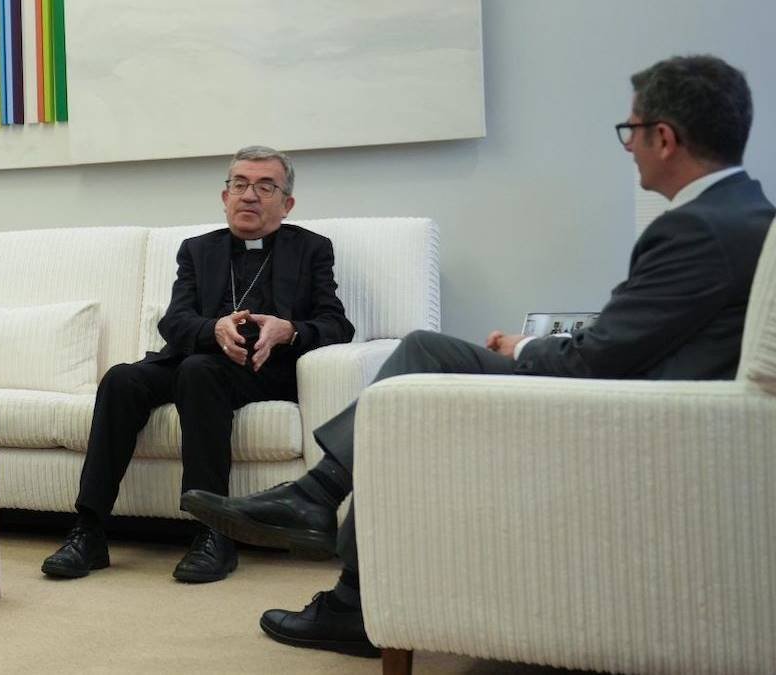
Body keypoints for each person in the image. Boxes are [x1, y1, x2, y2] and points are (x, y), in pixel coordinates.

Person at [183, 54, 774, 656]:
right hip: (661, 404)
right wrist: (533, 345)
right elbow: (636, 341)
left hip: (632, 417)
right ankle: (333, 552)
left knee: (424, 354)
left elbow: (595, 362)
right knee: (418, 376)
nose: (629, 148)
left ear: (665, 138)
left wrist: (534, 349)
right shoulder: (744, 214)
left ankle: (323, 522)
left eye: (632, 131)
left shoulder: (695, 229)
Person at [42, 146, 355, 583]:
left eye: (265, 187)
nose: (250, 196)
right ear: (224, 196)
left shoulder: (311, 250)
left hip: (262, 370)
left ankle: (213, 534)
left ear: (287, 204)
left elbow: (337, 324)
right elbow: (175, 319)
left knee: (198, 372)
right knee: (121, 379)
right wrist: (213, 329)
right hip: (197, 356)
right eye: (240, 185)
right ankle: (89, 530)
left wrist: (290, 330)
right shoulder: (197, 250)